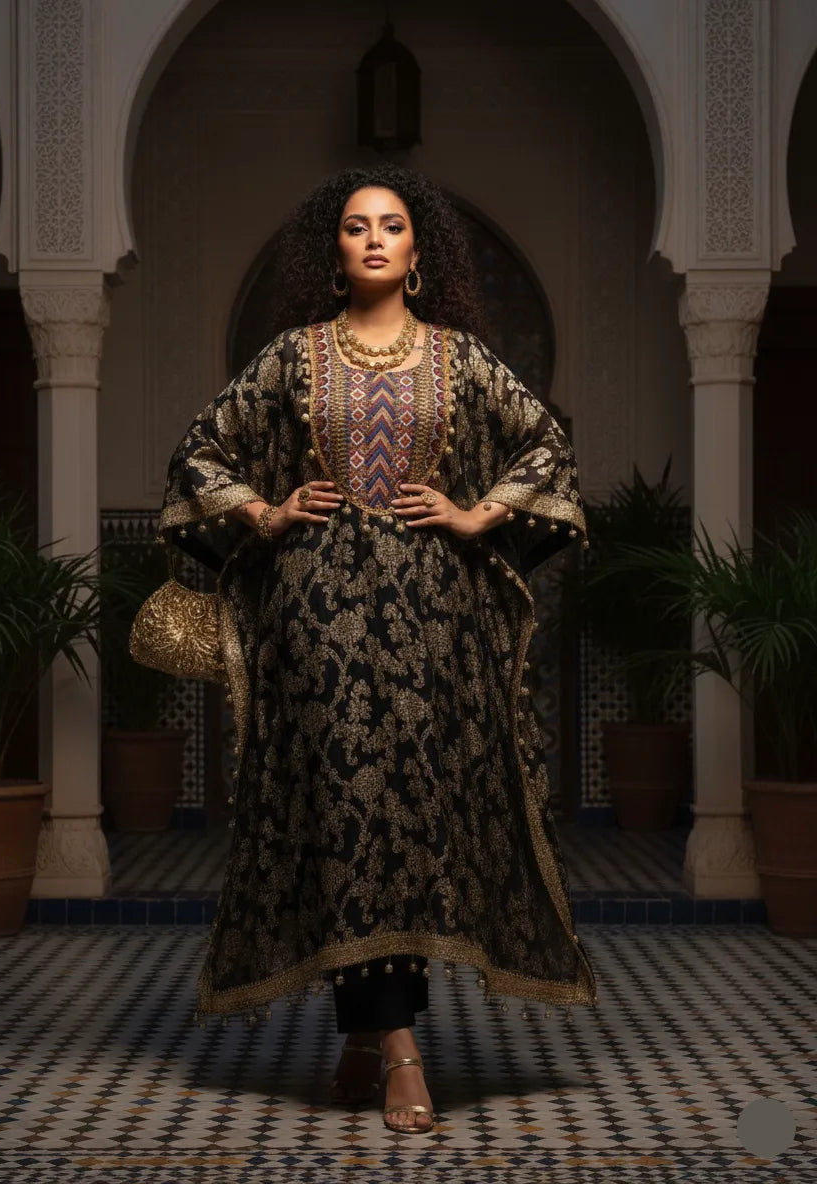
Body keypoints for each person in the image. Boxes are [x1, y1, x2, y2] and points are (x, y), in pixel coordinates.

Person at [158, 162, 598, 1134]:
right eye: (356, 226)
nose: (372, 239)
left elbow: (548, 447)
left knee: (409, 828)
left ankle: (365, 1037)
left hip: (435, 628)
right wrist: (266, 512)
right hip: (318, 625)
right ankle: (400, 1049)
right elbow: (198, 452)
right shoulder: (291, 357)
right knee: (347, 818)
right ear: (335, 248)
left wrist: (478, 513)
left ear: (416, 250)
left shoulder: (461, 359)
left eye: (390, 226)